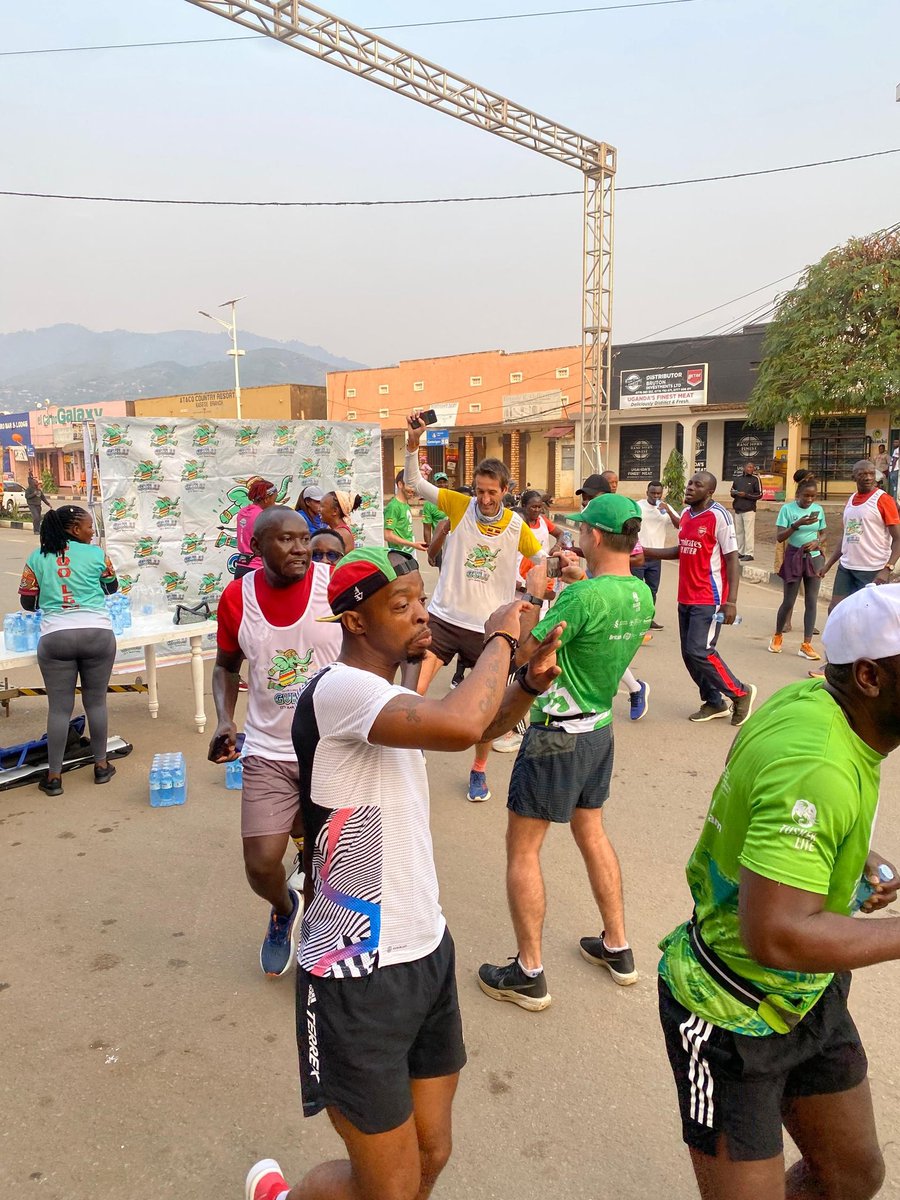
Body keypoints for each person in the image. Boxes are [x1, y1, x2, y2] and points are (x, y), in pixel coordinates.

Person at [244, 548, 563, 1200]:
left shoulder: (388, 693)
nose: (421, 614)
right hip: (354, 966)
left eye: (421, 599)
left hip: (425, 946)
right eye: (401, 606)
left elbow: (480, 722)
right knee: (387, 1188)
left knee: (431, 1153)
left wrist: (526, 681)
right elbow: (460, 721)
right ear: (354, 622)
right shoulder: (339, 690)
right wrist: (501, 634)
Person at [657, 584, 900, 1200]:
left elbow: (760, 797)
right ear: (870, 675)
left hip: (811, 993)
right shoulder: (816, 763)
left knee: (852, 1174)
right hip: (730, 1013)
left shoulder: (816, 699)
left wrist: (840, 852)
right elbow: (775, 935)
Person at [478, 494, 654, 1011]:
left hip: (556, 733)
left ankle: (529, 972)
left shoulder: (581, 599)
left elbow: (526, 651)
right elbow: (595, 621)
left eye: (581, 532)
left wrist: (535, 595)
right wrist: (579, 584)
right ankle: (617, 946)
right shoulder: (639, 594)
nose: (573, 538)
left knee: (523, 849)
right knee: (591, 831)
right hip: (598, 729)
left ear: (595, 537)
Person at [209, 507, 342, 978]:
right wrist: (226, 719)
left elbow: (388, 641)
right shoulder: (236, 598)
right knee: (262, 864)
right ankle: (285, 909)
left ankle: (318, 938)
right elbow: (226, 665)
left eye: (304, 538)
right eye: (285, 540)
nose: (300, 548)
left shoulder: (336, 585)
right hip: (267, 749)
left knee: (324, 862)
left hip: (332, 750)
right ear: (257, 546)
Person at [404, 411, 545, 803]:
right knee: (413, 688)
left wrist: (538, 593)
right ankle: (407, 752)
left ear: (505, 491)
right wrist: (413, 443)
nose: (484, 499)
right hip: (446, 619)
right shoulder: (457, 505)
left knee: (486, 709)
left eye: (492, 492)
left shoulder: (518, 527)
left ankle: (478, 771)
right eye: (480, 491)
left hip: (489, 629)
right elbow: (414, 482)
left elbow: (542, 560)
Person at [17, 506, 119, 796]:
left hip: (55, 638)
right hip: (97, 634)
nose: (92, 532)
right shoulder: (97, 554)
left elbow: (27, 603)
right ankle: (101, 767)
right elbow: (112, 588)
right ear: (74, 530)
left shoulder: (37, 557)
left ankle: (54, 777)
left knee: (59, 709)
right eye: (89, 527)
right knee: (96, 702)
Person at [644, 471, 756, 725]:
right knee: (689, 653)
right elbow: (681, 550)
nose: (690, 488)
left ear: (710, 492)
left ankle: (740, 692)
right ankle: (713, 701)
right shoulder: (686, 515)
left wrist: (731, 601)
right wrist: (646, 552)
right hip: (686, 595)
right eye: (690, 483)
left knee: (700, 650)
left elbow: (732, 559)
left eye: (698, 485)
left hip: (710, 596)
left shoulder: (719, 516)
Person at [818, 459, 900, 606]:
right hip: (846, 567)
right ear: (853, 477)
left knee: (867, 614)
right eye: (862, 474)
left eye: (871, 473)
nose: (868, 477)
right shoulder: (850, 500)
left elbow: (898, 539)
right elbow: (845, 537)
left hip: (872, 569)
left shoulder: (883, 500)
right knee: (835, 609)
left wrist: (887, 569)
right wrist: (828, 565)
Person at [768, 477, 827, 660]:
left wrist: (817, 541)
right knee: (789, 601)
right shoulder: (787, 509)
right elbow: (779, 537)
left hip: (814, 558)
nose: (809, 500)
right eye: (806, 496)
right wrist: (797, 524)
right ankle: (777, 636)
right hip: (793, 556)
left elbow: (824, 533)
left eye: (813, 496)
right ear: (797, 495)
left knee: (811, 601)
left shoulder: (818, 510)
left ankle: (806, 644)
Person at [636, 480, 680, 629]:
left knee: (652, 590)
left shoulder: (665, 508)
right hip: (639, 555)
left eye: (658, 493)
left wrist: (667, 510)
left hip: (656, 556)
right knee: (635, 589)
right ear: (647, 493)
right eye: (653, 493)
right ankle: (634, 620)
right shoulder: (638, 506)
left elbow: (680, 525)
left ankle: (648, 619)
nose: (655, 496)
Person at [235, 479, 278, 579]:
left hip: (241, 566)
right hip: (258, 569)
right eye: (274, 500)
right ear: (266, 499)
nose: (275, 504)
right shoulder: (264, 516)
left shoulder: (242, 513)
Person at [384, 469, 427, 552]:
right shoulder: (393, 507)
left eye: (414, 486)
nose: (413, 490)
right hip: (398, 555)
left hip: (409, 552)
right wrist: (412, 544)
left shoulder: (406, 505)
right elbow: (387, 535)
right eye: (410, 485)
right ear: (400, 484)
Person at [730, 462, 762, 562]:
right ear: (744, 468)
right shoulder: (737, 479)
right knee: (739, 532)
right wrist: (734, 493)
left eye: (752, 467)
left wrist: (746, 495)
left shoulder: (755, 479)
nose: (750, 469)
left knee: (748, 532)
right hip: (738, 509)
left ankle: (749, 553)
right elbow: (732, 492)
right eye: (748, 467)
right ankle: (740, 552)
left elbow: (760, 495)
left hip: (749, 509)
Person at [321, 489, 362, 555]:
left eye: (322, 506)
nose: (318, 509)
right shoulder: (336, 531)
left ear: (335, 511)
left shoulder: (339, 534)